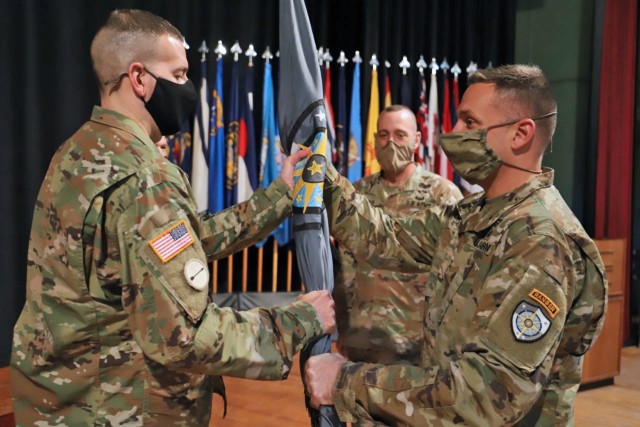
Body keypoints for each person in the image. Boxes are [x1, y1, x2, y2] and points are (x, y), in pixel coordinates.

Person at [10, 9, 334, 426]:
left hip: (64, 401)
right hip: (118, 407)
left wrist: (279, 195)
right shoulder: (145, 178)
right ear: (140, 78)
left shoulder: (79, 151)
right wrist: (299, 320)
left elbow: (181, 243)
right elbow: (185, 338)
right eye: (179, 75)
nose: (188, 87)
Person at [305, 64, 606, 425]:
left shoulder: (541, 242)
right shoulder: (471, 215)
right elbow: (385, 235)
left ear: (520, 134)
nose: (453, 133)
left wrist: (345, 380)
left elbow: (486, 395)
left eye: (469, 123)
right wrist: (320, 176)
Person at [334, 105, 461, 366]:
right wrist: (343, 326)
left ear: (416, 140)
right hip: (364, 337)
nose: (390, 142)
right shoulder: (357, 196)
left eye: (400, 135)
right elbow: (345, 266)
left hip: (418, 341)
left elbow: (456, 271)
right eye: (383, 134)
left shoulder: (442, 194)